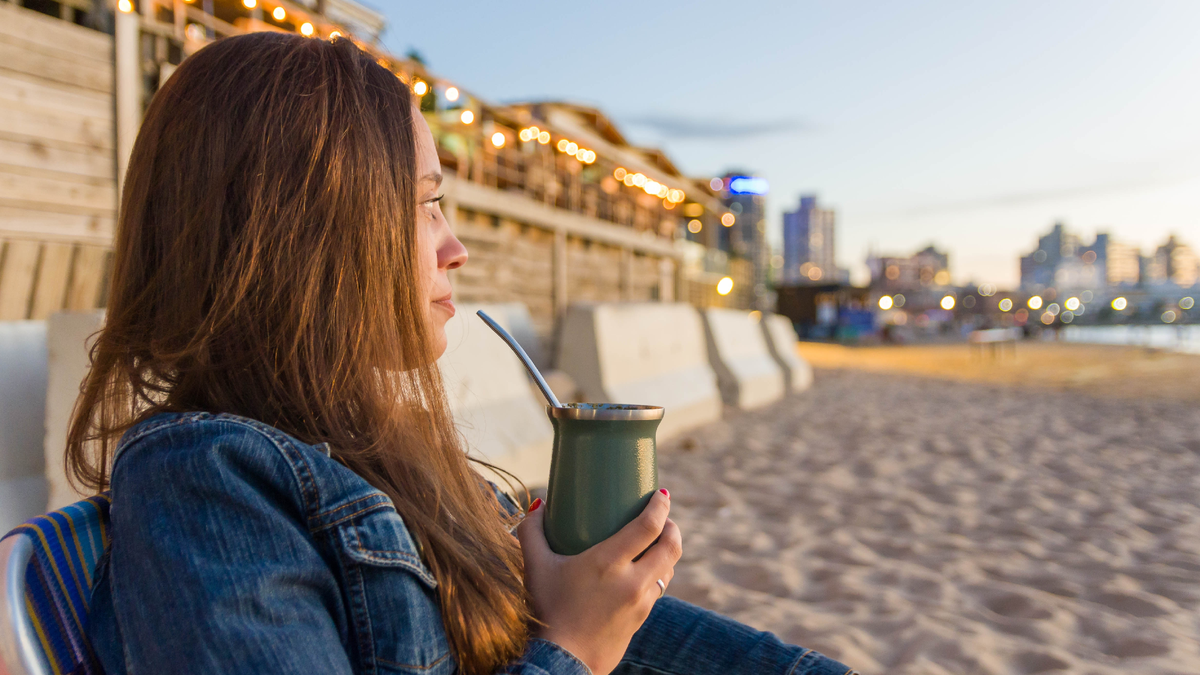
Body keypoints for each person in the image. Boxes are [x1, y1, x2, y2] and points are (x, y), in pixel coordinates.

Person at [68, 32, 856, 675]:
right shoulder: (206, 480)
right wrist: (573, 646)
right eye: (425, 205)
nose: (458, 249)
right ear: (308, 236)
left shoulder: (385, 451)